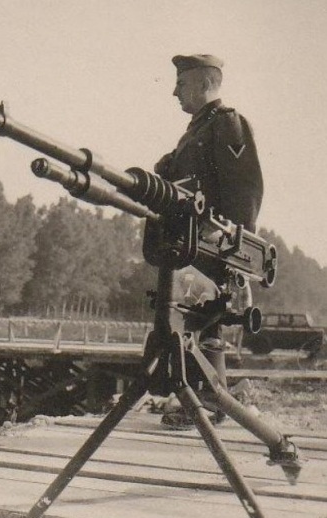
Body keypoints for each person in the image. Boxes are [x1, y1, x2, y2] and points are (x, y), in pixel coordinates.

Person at [154, 54, 264, 429]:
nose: (174, 92)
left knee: (208, 318)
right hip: (192, 241)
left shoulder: (227, 124)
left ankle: (207, 404)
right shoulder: (198, 129)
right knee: (193, 319)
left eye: (181, 83)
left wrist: (238, 251)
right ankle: (200, 401)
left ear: (204, 83)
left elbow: (244, 190)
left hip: (215, 242)